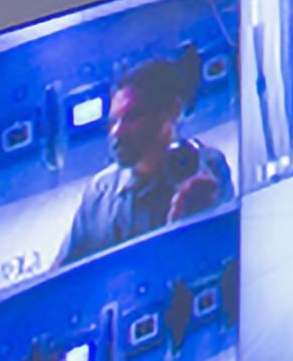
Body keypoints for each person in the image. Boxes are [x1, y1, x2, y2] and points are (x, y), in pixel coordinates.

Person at [60, 57, 233, 262]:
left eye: (133, 116)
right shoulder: (100, 193)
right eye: (114, 121)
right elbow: (59, 272)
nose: (117, 132)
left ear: (172, 110)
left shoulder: (203, 169)